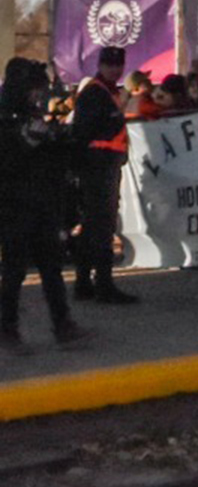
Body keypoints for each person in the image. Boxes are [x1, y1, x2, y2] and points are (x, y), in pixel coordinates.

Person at [0, 59, 86, 351]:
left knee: (52, 267)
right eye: (34, 90)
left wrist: (59, 140)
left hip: (42, 203)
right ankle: (7, 327)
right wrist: (27, 141)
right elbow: (8, 162)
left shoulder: (35, 117)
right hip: (15, 204)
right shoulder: (5, 117)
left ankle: (63, 323)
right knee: (14, 270)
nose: (39, 96)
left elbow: (56, 160)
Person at [67, 46, 136, 304]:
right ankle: (103, 285)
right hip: (97, 167)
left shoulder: (109, 92)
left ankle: (84, 282)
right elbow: (87, 132)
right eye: (111, 65)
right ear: (102, 65)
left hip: (106, 166)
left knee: (93, 226)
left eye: (118, 65)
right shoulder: (95, 93)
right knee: (102, 227)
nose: (116, 70)